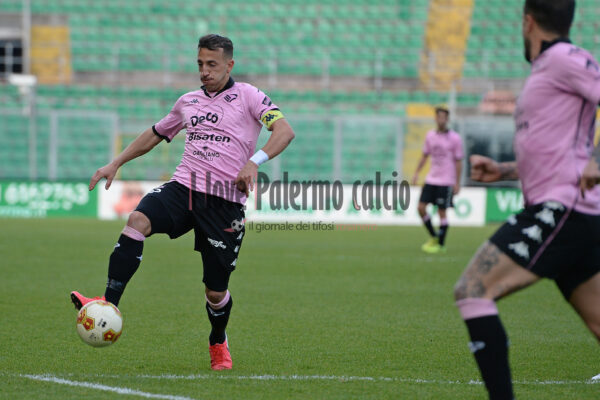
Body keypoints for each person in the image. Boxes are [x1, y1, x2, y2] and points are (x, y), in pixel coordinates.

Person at [70, 34, 295, 370]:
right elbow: (155, 133)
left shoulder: (249, 96)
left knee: (215, 293)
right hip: (184, 188)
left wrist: (254, 161)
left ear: (229, 65)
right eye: (200, 64)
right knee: (137, 221)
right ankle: (107, 304)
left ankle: (218, 340)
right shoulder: (187, 101)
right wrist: (116, 162)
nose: (204, 71)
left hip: (224, 203)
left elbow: (284, 131)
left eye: (212, 65)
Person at [454, 1, 600, 398]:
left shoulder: (565, 59)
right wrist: (503, 170)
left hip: (562, 208)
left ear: (527, 22)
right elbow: (556, 152)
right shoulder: (550, 68)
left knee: (473, 290)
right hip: (572, 212)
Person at [411, 105, 463, 254]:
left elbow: (458, 161)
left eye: (444, 117)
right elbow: (424, 155)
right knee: (420, 208)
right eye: (439, 117)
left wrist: (457, 182)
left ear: (447, 119)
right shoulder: (430, 136)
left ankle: (441, 244)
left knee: (442, 212)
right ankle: (434, 236)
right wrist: (416, 172)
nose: (441, 120)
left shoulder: (455, 138)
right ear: (435, 118)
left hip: (446, 180)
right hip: (431, 179)